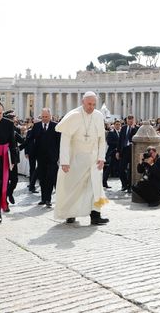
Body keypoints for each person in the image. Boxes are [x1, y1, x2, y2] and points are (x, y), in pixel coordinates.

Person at [54, 91, 109, 225]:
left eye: (94, 104)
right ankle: (70, 214)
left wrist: (102, 157)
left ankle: (95, 215)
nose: (91, 107)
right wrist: (65, 162)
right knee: (73, 188)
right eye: (89, 104)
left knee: (95, 187)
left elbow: (102, 140)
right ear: (82, 102)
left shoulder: (98, 116)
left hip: (93, 160)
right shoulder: (73, 116)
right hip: (76, 159)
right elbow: (65, 141)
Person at [24, 108, 60, 208]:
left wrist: (59, 155)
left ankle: (48, 199)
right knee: (42, 179)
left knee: (50, 178)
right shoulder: (37, 126)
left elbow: (59, 142)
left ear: (50, 116)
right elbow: (30, 139)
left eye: (46, 117)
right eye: (43, 117)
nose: (44, 119)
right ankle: (43, 199)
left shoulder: (56, 126)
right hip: (40, 157)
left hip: (52, 158)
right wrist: (21, 147)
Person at [117, 115, 138, 193]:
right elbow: (120, 140)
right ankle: (124, 184)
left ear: (134, 121)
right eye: (129, 120)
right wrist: (118, 151)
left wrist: (133, 128)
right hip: (124, 151)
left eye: (132, 120)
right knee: (121, 169)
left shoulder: (136, 129)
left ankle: (130, 186)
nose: (130, 122)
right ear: (126, 121)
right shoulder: (123, 128)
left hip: (132, 151)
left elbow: (134, 138)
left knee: (131, 170)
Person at [103, 120, 121, 188]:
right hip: (112, 153)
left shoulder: (120, 132)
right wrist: (119, 144)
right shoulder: (111, 133)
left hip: (119, 153)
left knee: (120, 168)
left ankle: (124, 184)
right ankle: (104, 182)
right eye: (116, 124)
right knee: (109, 168)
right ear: (114, 125)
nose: (118, 126)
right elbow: (109, 142)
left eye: (119, 124)